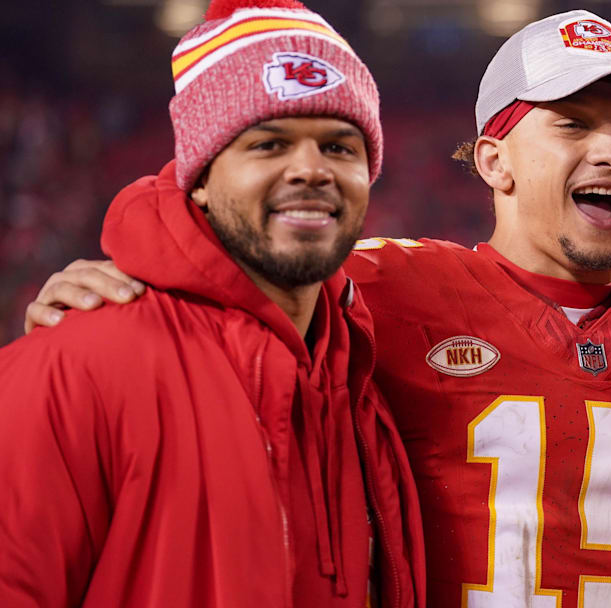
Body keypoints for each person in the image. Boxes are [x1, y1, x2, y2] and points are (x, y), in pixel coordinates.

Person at [24, 10, 611, 607]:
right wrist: (127, 286)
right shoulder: (379, 287)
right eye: (572, 124)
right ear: (494, 160)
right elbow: (234, 274)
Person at [0, 0, 424, 606]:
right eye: (269, 144)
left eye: (339, 148)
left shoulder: (365, 385)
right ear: (198, 177)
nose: (311, 170)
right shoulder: (71, 370)